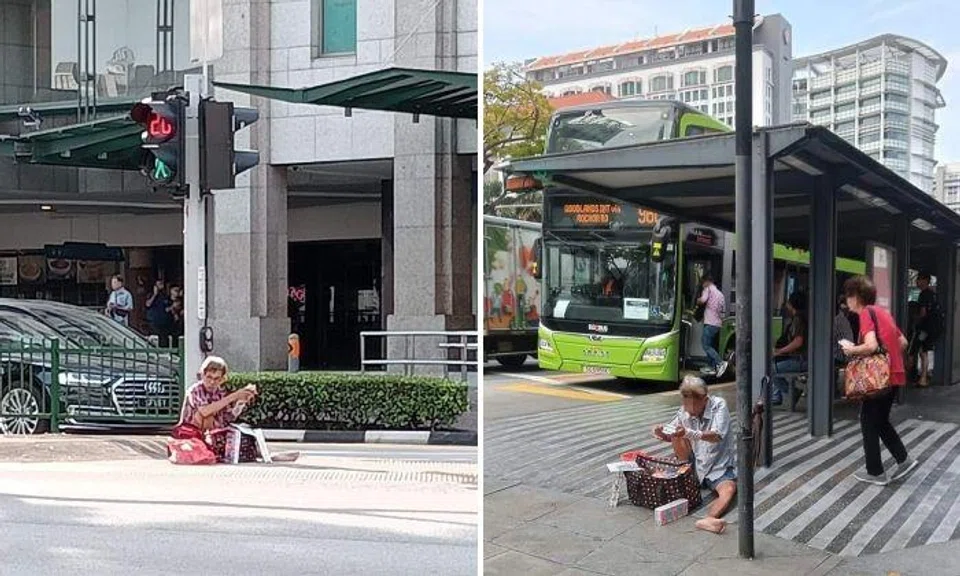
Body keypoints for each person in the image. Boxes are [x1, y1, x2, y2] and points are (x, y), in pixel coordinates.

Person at [840, 275, 917, 486]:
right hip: (894, 375)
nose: (847, 300)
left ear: (856, 297)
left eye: (848, 296)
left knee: (867, 420)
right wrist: (887, 357)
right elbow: (903, 342)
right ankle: (904, 459)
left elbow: (871, 345)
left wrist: (851, 349)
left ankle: (875, 472)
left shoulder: (866, 313)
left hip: (879, 379)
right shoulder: (883, 313)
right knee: (880, 420)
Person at [653, 375, 736, 534]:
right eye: (686, 405)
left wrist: (689, 432)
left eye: (694, 407)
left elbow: (717, 435)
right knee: (677, 434)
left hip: (718, 465)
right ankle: (685, 475)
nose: (689, 413)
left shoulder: (719, 405)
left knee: (729, 489)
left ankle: (709, 519)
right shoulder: (683, 411)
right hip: (694, 463)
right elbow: (671, 434)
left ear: (705, 400)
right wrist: (660, 432)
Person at [176, 356, 299, 463]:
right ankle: (210, 446)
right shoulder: (195, 390)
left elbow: (227, 418)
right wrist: (234, 396)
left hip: (214, 433)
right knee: (208, 416)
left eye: (217, 378)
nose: (212, 382)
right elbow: (205, 411)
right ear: (202, 375)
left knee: (241, 433)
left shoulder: (220, 392)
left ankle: (264, 454)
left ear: (222, 379)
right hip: (191, 433)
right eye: (209, 377)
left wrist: (240, 403)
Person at [772, 291, 807, 408]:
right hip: (802, 358)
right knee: (774, 364)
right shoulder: (802, 317)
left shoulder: (798, 319)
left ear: (792, 304)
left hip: (801, 360)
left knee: (770, 369)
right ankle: (778, 394)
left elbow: (798, 342)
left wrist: (780, 351)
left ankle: (792, 392)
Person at [910, 272, 940, 387]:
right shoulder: (932, 294)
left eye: (918, 279)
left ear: (925, 281)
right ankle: (923, 378)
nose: (917, 281)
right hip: (931, 328)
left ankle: (918, 378)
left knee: (915, 350)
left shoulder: (924, 294)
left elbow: (923, 313)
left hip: (924, 328)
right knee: (923, 352)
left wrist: (915, 319)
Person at [697, 274, 727, 378]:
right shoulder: (720, 294)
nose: (702, 285)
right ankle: (712, 367)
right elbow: (723, 311)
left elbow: (703, 300)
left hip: (710, 322)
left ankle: (720, 363)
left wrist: (697, 300)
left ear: (707, 282)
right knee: (710, 345)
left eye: (703, 282)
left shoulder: (708, 289)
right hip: (717, 324)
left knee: (705, 344)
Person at [145, 280, 173, 346]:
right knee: (156, 338)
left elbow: (168, 307)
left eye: (162, 284)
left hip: (164, 321)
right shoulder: (150, 295)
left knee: (164, 339)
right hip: (154, 321)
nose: (161, 286)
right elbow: (148, 304)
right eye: (159, 284)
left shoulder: (165, 296)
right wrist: (155, 294)